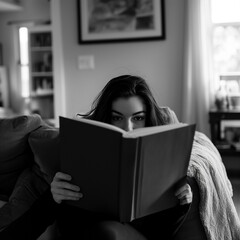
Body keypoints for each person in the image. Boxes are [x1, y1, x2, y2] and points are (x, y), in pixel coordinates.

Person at [51, 75, 193, 239]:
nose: (128, 127)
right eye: (117, 118)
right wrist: (55, 198)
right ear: (106, 117)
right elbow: (70, 229)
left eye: (138, 118)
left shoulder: (165, 157)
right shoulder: (81, 150)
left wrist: (182, 204)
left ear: (148, 119)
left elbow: (162, 234)